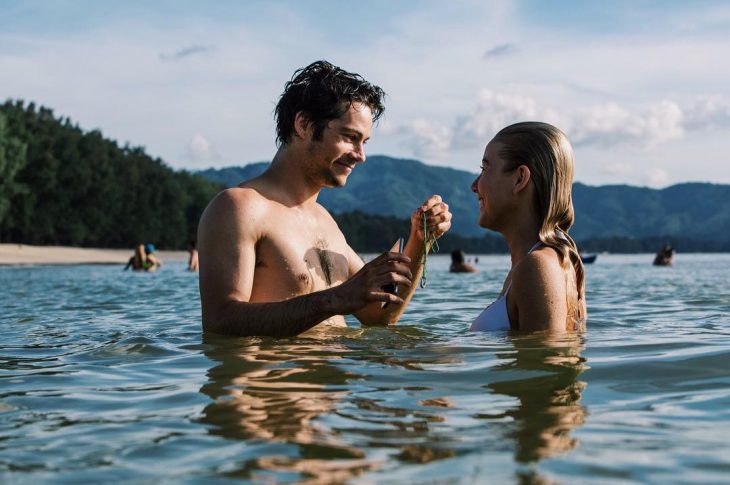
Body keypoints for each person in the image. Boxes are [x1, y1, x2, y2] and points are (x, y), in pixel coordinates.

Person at [197, 60, 452, 337]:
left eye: (364, 142)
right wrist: (335, 299)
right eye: (349, 137)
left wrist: (420, 240)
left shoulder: (326, 222)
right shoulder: (240, 207)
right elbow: (220, 322)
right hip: (279, 378)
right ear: (304, 125)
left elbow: (379, 316)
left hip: (334, 375)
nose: (360, 155)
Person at [469, 122, 586, 332]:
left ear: (520, 178)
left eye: (485, 168)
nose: (474, 186)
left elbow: (544, 363)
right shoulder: (534, 265)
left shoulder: (536, 267)